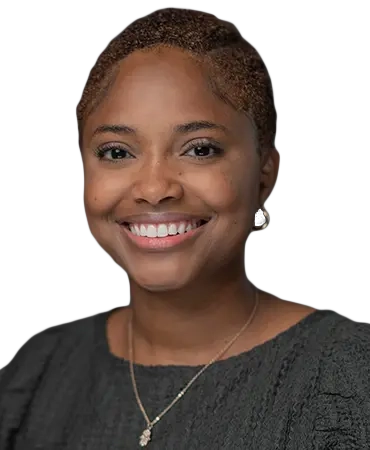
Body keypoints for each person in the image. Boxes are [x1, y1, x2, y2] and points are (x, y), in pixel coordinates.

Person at [0, 7, 369, 450]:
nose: (155, 188)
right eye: (117, 152)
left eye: (200, 149)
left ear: (263, 179)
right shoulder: (40, 372)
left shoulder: (345, 378)